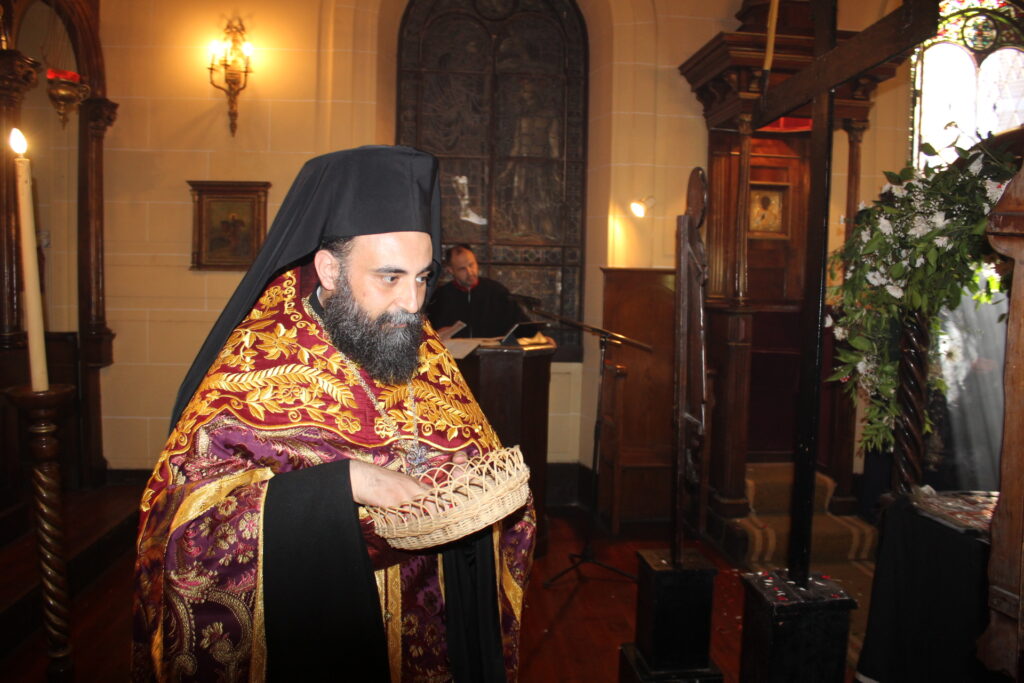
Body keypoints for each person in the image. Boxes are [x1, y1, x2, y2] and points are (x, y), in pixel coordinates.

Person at [132, 146, 535, 682]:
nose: (412, 303)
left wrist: (473, 492)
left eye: (423, 277)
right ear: (329, 268)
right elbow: (184, 529)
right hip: (315, 643)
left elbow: (474, 462)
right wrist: (343, 484)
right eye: (390, 277)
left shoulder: (422, 347)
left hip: (426, 630)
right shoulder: (255, 363)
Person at [426, 244, 529, 339]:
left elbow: (521, 326)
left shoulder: (496, 291)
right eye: (462, 269)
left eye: (471, 265)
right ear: (450, 270)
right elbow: (426, 333)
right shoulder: (440, 297)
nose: (470, 272)